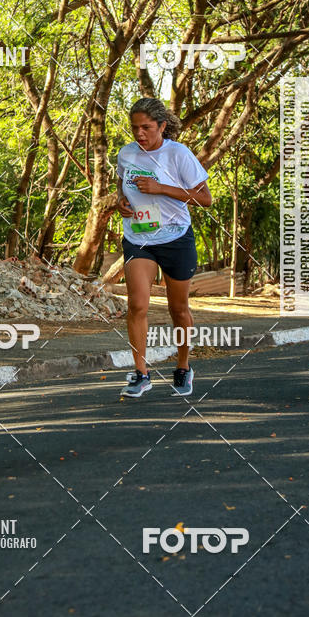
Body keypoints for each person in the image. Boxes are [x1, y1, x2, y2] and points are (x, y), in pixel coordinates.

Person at [115, 97, 212, 397]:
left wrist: (161, 189)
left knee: (178, 308)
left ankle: (183, 367)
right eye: (135, 128)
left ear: (162, 126)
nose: (139, 134)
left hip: (175, 238)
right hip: (139, 238)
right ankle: (140, 373)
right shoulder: (126, 154)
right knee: (137, 305)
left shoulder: (178, 154)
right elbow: (122, 185)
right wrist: (121, 203)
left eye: (146, 127)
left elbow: (205, 198)